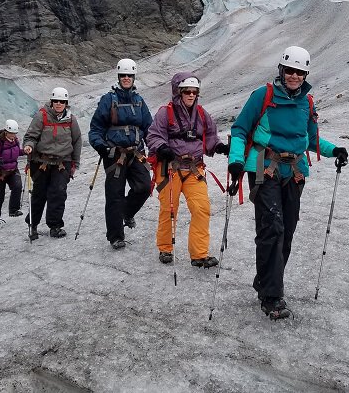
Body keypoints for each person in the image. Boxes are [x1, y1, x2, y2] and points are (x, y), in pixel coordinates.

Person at [227, 45, 348, 320]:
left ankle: (265, 281)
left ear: (305, 74)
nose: (294, 76)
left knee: (287, 230)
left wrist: (334, 150)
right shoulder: (264, 95)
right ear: (281, 70)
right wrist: (235, 160)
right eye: (289, 70)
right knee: (272, 227)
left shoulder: (308, 102)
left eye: (299, 72)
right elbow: (240, 129)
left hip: (294, 170)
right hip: (262, 164)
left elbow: (312, 139)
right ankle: (272, 296)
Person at [146, 73, 228, 267]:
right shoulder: (165, 113)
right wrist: (161, 147)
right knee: (169, 209)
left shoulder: (201, 114)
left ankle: (199, 254)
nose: (191, 95)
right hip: (170, 168)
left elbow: (210, 137)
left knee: (201, 208)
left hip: (194, 169)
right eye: (187, 92)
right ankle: (165, 248)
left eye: (194, 92)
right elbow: (153, 135)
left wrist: (219, 147)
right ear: (178, 92)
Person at [89, 58, 153, 249]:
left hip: (136, 152)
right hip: (114, 154)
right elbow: (96, 128)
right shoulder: (108, 100)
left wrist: (156, 148)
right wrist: (100, 146)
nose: (126, 78)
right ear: (118, 76)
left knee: (144, 187)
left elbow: (149, 128)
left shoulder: (139, 101)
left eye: (129, 75)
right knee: (114, 195)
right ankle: (116, 236)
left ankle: (126, 212)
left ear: (134, 77)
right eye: (123, 75)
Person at [23, 87, 82, 240]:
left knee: (58, 194)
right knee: (39, 194)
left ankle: (55, 226)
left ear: (66, 103)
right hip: (41, 162)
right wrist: (29, 145)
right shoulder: (41, 116)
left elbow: (77, 141)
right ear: (52, 101)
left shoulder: (71, 119)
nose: (58, 104)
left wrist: (75, 162)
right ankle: (32, 224)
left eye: (62, 101)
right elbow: (31, 136)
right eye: (56, 101)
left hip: (63, 163)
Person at [0, 120, 25, 226]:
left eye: (14, 133)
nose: (13, 135)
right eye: (11, 133)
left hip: (12, 170)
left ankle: (13, 210)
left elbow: (17, 152)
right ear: (6, 131)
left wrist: (25, 151)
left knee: (17, 186)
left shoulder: (15, 141)